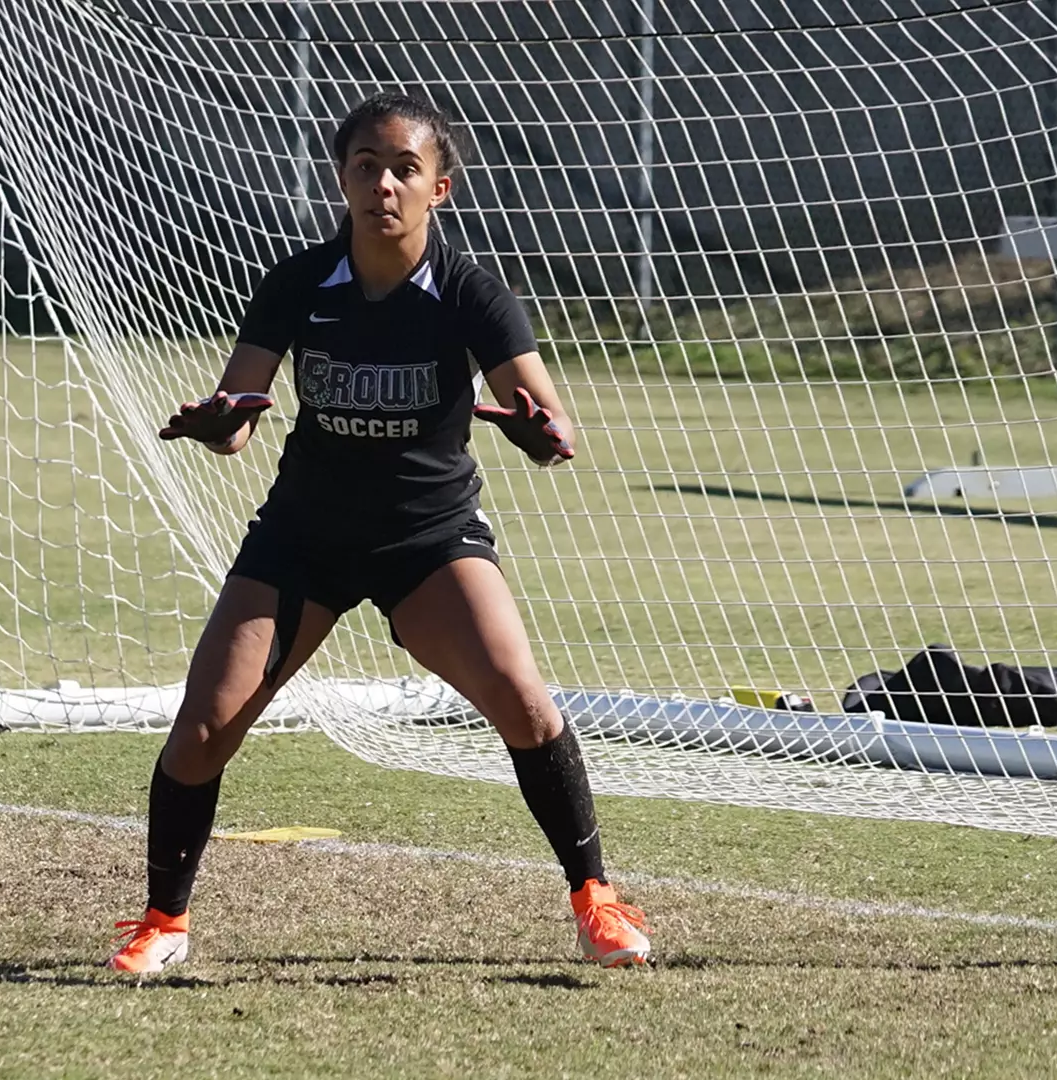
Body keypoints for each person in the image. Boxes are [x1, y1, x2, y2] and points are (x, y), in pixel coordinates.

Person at [107, 91, 650, 973]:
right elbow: (240, 417)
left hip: (429, 541)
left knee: (524, 701)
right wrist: (218, 423)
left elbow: (555, 433)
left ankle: (597, 900)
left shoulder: (471, 292)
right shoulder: (296, 281)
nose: (383, 184)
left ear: (441, 187)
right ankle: (164, 921)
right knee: (202, 729)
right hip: (304, 538)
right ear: (343, 178)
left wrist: (531, 432)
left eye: (405, 168)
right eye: (366, 165)